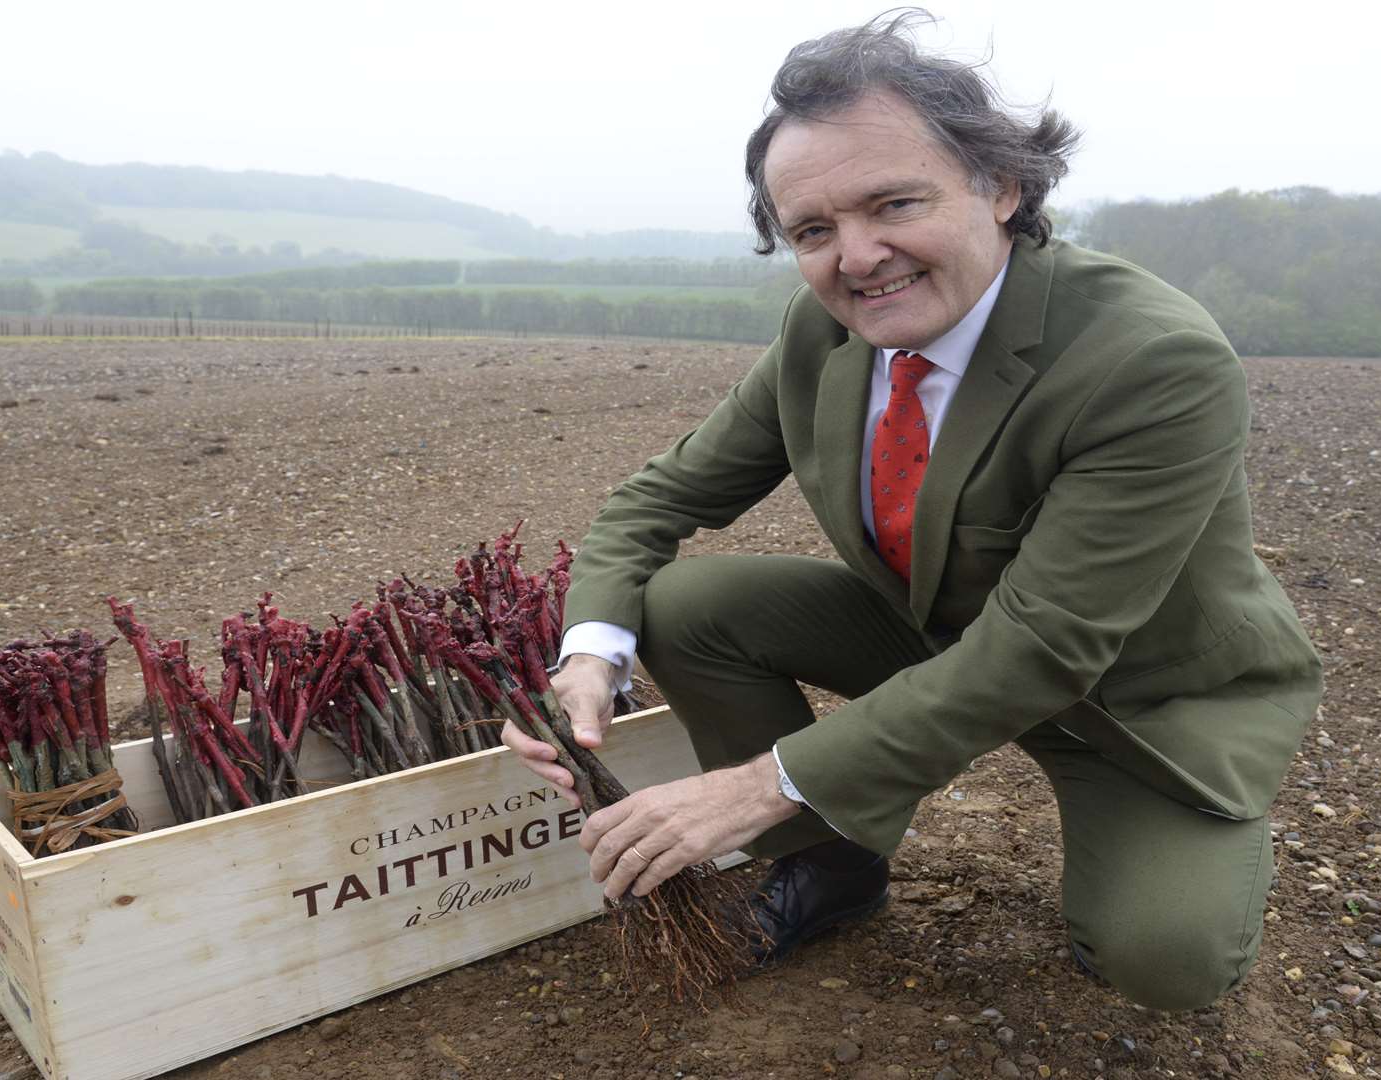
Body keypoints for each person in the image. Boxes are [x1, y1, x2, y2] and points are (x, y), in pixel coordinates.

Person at [500, 11, 1322, 1012]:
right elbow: (660, 497)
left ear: (1003, 186)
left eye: (894, 202)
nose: (856, 256)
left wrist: (758, 784)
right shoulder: (827, 336)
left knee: (1165, 957)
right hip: (943, 641)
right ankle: (832, 864)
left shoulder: (1152, 361)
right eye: (812, 231)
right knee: (681, 604)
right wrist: (591, 650)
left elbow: (1043, 650)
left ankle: (1162, 849)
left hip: (1131, 700)